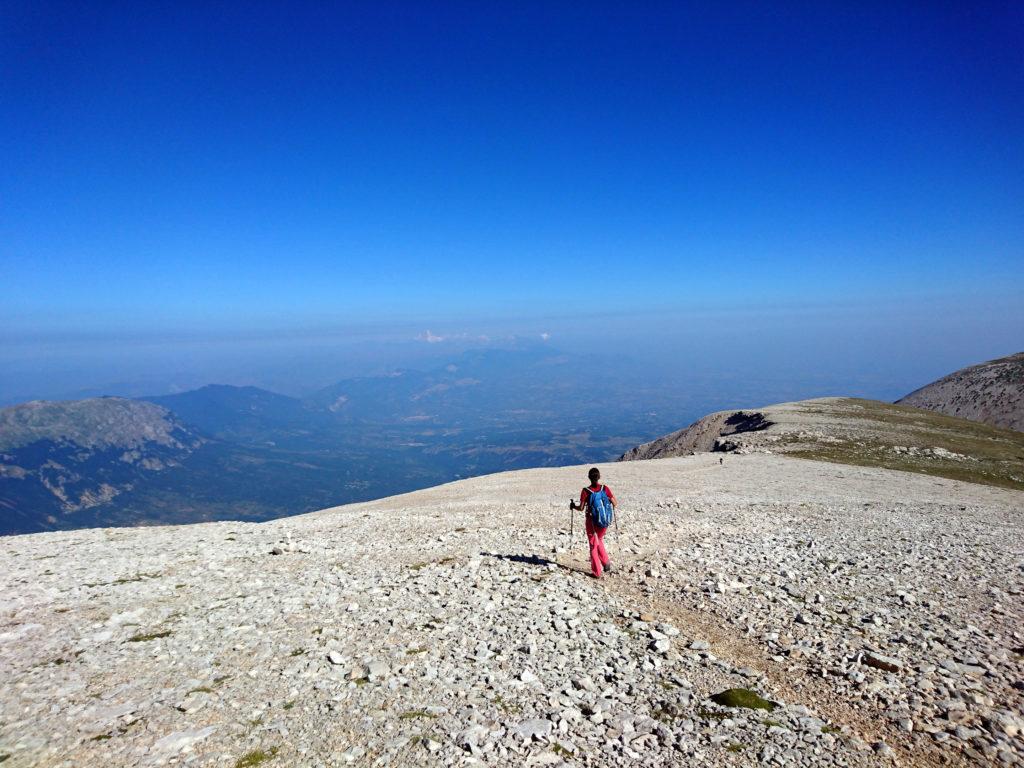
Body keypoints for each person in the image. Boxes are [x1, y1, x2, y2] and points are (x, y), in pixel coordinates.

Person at [570, 467, 616, 578]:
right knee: (599, 539)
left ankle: (597, 572)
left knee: (593, 545)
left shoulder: (585, 491)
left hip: (591, 522)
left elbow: (581, 508)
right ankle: (606, 562)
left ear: (589, 478)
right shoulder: (605, 488)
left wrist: (573, 506)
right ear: (599, 477)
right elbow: (615, 503)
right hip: (604, 521)